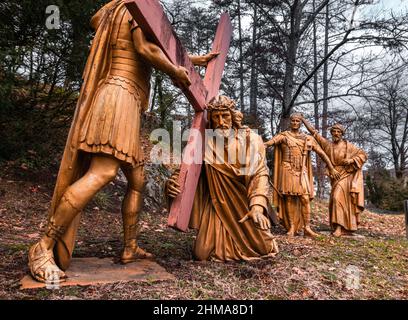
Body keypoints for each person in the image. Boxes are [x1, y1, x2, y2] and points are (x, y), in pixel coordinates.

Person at [28, 0, 217, 283]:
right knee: (103, 172)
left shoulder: (116, 9)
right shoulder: (134, 7)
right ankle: (42, 247)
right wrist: (173, 71)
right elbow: (144, 47)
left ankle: (129, 247)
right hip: (119, 95)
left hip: (124, 98)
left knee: (138, 180)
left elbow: (136, 36)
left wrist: (191, 61)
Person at [166, 96, 279, 261]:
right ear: (210, 119)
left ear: (233, 116)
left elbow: (260, 174)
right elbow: (187, 168)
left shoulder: (251, 139)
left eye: (224, 115)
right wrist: (173, 182)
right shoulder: (204, 142)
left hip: (244, 204)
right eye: (215, 116)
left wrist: (257, 207)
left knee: (263, 248)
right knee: (201, 253)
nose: (220, 121)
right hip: (216, 204)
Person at [264, 113, 341, 237]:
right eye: (293, 121)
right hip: (287, 169)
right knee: (288, 198)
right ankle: (291, 227)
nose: (295, 123)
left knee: (304, 198)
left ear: (300, 123)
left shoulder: (307, 138)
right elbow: (270, 143)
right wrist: (260, 145)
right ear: (290, 122)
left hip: (301, 171)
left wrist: (331, 168)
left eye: (297, 121)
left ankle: (307, 227)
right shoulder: (284, 136)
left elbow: (321, 153)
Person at [301, 118, 367, 237]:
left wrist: (351, 160)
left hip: (347, 175)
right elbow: (314, 133)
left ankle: (339, 227)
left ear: (342, 134)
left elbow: (363, 155)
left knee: (337, 198)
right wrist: (303, 120)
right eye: (334, 131)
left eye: (338, 132)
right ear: (331, 133)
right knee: (337, 201)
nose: (336, 133)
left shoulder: (349, 146)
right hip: (334, 176)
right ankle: (345, 226)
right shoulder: (328, 145)